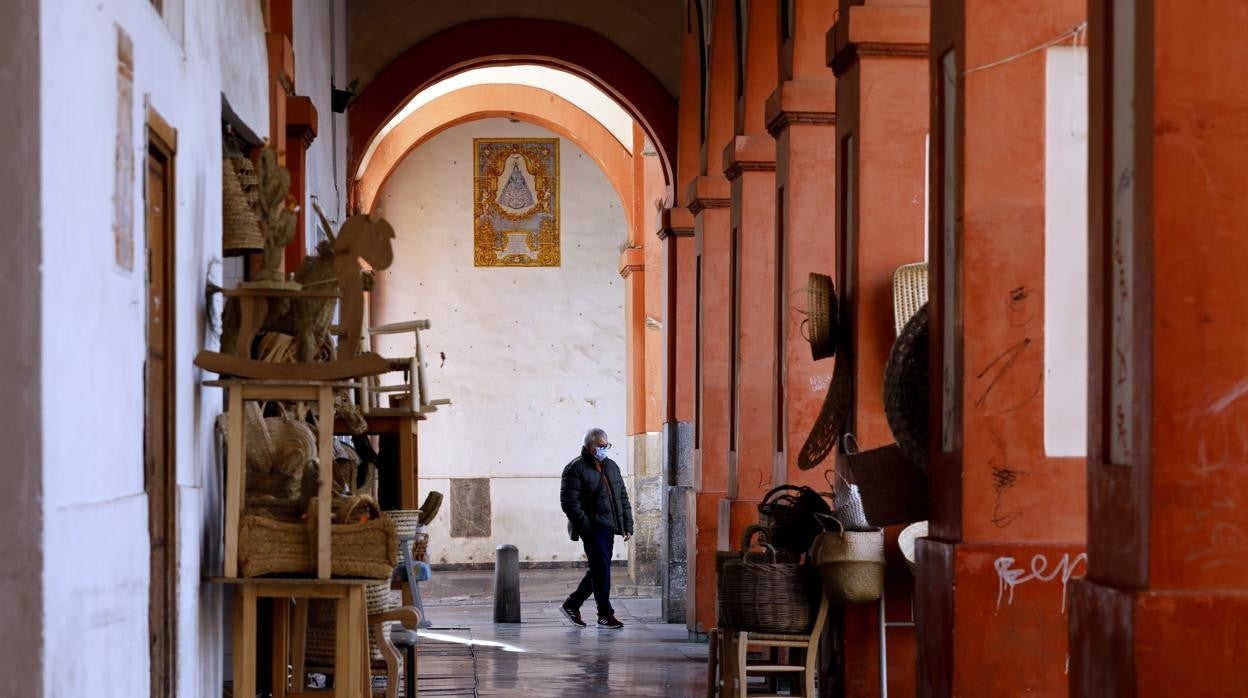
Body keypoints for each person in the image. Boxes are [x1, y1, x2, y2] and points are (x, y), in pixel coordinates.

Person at [559, 428, 633, 629]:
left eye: (606, 445)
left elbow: (622, 497)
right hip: (592, 528)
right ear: (589, 445)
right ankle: (604, 614)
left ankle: (572, 604)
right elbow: (569, 503)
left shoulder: (611, 466)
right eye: (600, 446)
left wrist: (627, 524)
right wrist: (587, 526)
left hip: (609, 526)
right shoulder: (575, 468)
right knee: (602, 569)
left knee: (600, 569)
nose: (604, 449)